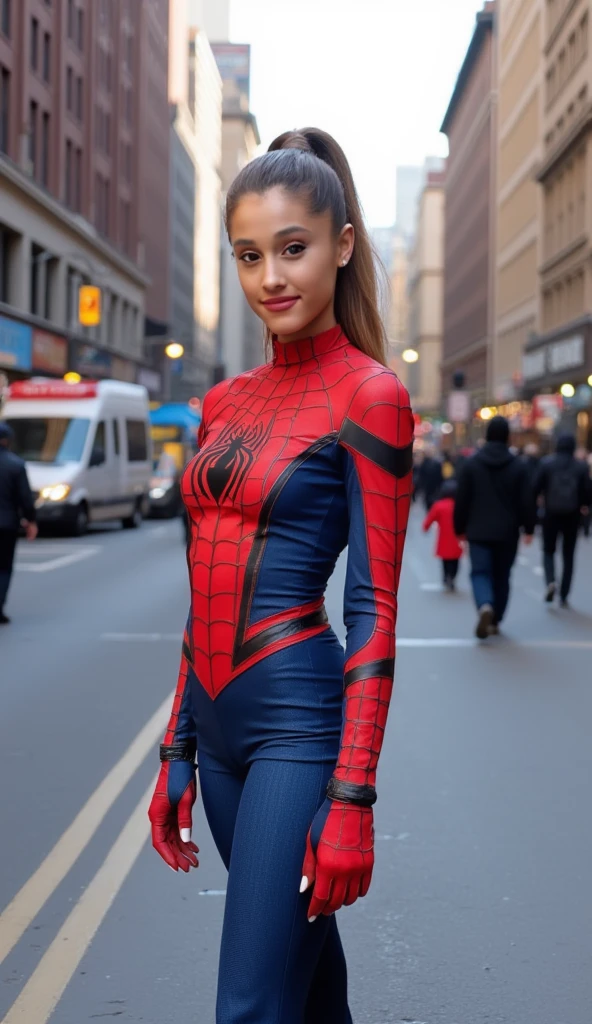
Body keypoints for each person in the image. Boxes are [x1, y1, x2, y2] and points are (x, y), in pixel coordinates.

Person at [147, 128, 414, 1024]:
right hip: (217, 736)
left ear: (341, 247)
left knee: (251, 1005)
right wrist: (177, 747)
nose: (271, 277)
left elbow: (374, 608)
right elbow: (201, 584)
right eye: (250, 255)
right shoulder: (222, 402)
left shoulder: (371, 394)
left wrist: (353, 796)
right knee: (307, 979)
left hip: (298, 730)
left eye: (293, 249)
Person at [454, 415, 535, 639]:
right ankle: (496, 618)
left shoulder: (472, 464)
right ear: (508, 436)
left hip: (478, 530)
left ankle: (484, 605)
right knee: (502, 575)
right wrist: (529, 529)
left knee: (480, 572)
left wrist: (459, 527)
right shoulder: (518, 466)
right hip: (508, 532)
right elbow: (526, 501)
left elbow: (462, 499)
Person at [534, 434, 590, 607]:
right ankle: (564, 594)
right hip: (572, 515)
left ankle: (551, 581)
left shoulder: (547, 464)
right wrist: (583, 507)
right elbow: (587, 491)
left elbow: (535, 487)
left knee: (548, 550)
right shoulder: (580, 466)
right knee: (568, 555)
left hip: (551, 513)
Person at [0, 422, 38, 624]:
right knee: (4, 568)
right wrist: (31, 521)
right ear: (7, 441)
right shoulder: (15, 465)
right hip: (6, 524)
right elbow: (25, 498)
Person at [422, 480, 463, 591]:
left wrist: (425, 528)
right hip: (458, 538)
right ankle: (452, 577)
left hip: (443, 538)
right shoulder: (460, 505)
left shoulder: (439, 506)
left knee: (445, 561)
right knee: (456, 561)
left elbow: (429, 520)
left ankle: (446, 577)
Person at [417, 444, 443, 510]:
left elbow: (440, 476)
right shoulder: (425, 463)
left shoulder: (436, 464)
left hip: (433, 487)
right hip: (428, 487)